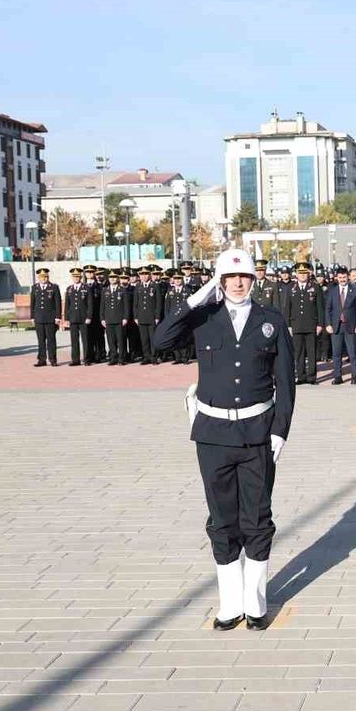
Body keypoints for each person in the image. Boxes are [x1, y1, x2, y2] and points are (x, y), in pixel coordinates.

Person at [153, 248, 295, 632]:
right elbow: (161, 340)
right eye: (229, 278)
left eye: (244, 277)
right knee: (221, 520)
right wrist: (194, 300)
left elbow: (285, 381)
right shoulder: (205, 319)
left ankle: (256, 602)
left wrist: (280, 429)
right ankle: (230, 602)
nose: (237, 283)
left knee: (257, 518)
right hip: (213, 434)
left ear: (254, 280)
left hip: (256, 433)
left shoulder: (271, 321)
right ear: (219, 281)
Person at [285, 261, 323, 384]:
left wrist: (320, 324)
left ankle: (312, 377)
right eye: (300, 273)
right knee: (299, 353)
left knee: (311, 352)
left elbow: (320, 308)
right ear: (296, 274)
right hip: (296, 325)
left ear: (308, 273)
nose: (302, 275)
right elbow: (287, 308)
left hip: (311, 325)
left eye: (304, 273)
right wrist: (288, 325)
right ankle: (301, 376)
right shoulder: (291, 288)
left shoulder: (315, 287)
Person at [325, 267, 356, 385]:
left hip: (350, 325)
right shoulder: (332, 291)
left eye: (344, 277)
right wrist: (328, 324)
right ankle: (338, 377)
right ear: (337, 278)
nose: (342, 280)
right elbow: (328, 309)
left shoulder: (354, 290)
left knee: (352, 353)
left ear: (348, 277)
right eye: (340, 277)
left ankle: (354, 376)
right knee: (336, 354)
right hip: (336, 326)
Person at [132, 267, 165, 365]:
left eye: (146, 274)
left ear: (149, 275)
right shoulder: (138, 287)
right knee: (144, 338)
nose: (144, 276)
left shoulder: (154, 286)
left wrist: (157, 316)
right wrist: (135, 316)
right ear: (139, 276)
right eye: (142, 274)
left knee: (152, 338)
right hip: (141, 317)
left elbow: (158, 303)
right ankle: (146, 356)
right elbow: (135, 303)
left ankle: (154, 357)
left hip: (152, 317)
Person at [63, 268, 95, 366]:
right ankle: (75, 360)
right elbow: (67, 305)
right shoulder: (69, 289)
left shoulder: (86, 288)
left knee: (85, 340)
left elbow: (90, 304)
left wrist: (89, 317)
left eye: (77, 276)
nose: (76, 278)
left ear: (80, 277)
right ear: (72, 277)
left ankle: (86, 359)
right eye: (74, 276)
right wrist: (67, 319)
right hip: (73, 318)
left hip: (83, 318)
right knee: (74, 340)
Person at [30, 268, 62, 367]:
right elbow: (32, 303)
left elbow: (57, 303)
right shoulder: (35, 288)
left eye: (45, 277)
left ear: (48, 277)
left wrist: (58, 317)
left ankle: (53, 359)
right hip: (39, 317)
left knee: (51, 339)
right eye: (41, 277)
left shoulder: (54, 287)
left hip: (50, 318)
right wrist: (32, 317)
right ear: (38, 278)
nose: (43, 279)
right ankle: (41, 360)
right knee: (41, 340)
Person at [101, 272, 132, 365]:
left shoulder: (122, 290)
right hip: (108, 319)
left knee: (121, 340)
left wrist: (126, 318)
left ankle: (121, 359)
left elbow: (126, 306)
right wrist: (102, 318)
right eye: (111, 277)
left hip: (119, 319)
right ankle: (113, 358)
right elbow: (102, 306)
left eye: (114, 277)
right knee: (111, 340)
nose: (113, 279)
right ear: (108, 279)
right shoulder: (105, 290)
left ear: (117, 278)